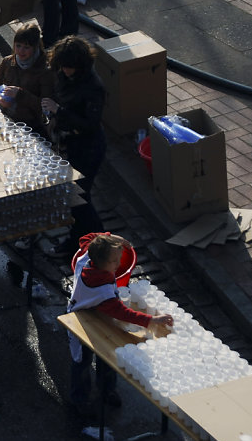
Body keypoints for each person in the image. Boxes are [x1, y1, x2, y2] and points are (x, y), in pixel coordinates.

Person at [67, 233, 173, 413]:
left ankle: (107, 390)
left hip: (98, 312)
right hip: (81, 318)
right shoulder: (102, 291)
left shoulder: (86, 256)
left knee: (107, 354)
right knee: (82, 362)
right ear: (100, 262)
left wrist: (115, 239)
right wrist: (151, 320)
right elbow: (123, 313)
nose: (118, 264)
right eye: (114, 261)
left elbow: (87, 238)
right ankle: (80, 400)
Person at [41, 36, 106, 251]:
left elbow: (90, 124)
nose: (65, 71)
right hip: (72, 143)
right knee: (74, 196)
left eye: (69, 68)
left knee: (80, 197)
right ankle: (82, 240)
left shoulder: (93, 87)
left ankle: (96, 243)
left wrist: (59, 111)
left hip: (88, 148)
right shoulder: (65, 75)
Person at [0, 23, 55, 136]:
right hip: (7, 118)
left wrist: (20, 94)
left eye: (26, 47)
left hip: (30, 126)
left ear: (35, 47)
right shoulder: (7, 62)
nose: (21, 51)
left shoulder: (45, 72)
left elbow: (45, 107)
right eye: (18, 45)